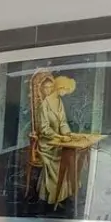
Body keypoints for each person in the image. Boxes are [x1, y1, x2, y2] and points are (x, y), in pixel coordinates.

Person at [30, 69, 78, 206]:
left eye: (67, 91)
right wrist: (58, 137)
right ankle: (51, 196)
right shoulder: (44, 105)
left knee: (68, 159)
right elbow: (44, 129)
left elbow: (63, 122)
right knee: (57, 163)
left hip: (58, 140)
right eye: (65, 90)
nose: (66, 93)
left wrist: (68, 134)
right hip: (47, 143)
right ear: (60, 87)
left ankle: (62, 195)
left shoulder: (59, 102)